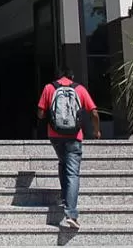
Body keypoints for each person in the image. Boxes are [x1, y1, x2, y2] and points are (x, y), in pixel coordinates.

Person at [36, 67, 100, 230]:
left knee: (62, 162)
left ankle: (65, 198)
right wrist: (96, 130)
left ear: (58, 76)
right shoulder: (79, 89)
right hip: (74, 136)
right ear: (71, 77)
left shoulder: (49, 88)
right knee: (72, 172)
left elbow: (40, 114)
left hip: (55, 135)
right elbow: (94, 112)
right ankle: (71, 213)